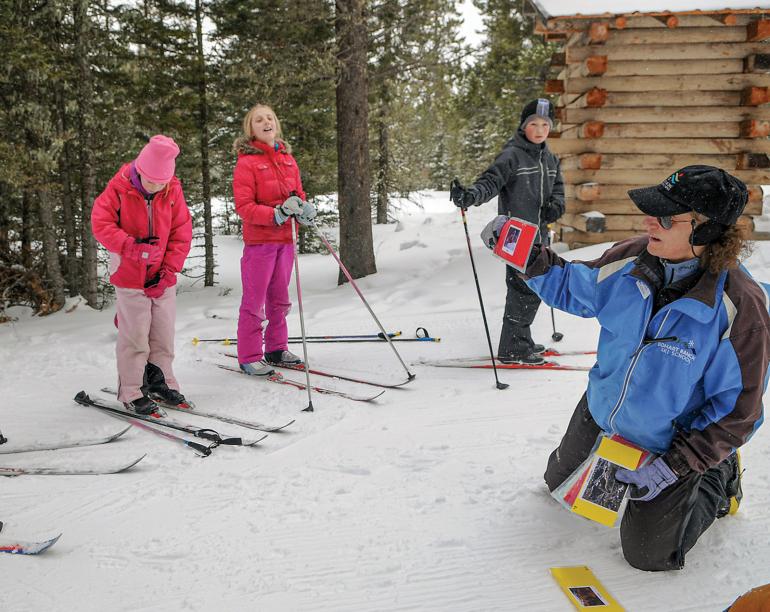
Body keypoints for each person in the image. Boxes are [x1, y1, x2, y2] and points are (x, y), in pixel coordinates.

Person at [484, 165, 769, 571]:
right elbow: (574, 286)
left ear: (705, 231)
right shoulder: (634, 258)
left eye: (666, 217)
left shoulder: (741, 309)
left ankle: (719, 479)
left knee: (648, 555)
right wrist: (527, 255)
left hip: (673, 442)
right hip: (604, 410)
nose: (648, 221)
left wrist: (678, 465)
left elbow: (741, 414)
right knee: (557, 486)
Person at [451, 98, 564, 365]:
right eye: (533, 124)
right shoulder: (512, 155)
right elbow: (491, 181)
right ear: (524, 126)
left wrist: (556, 206)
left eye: (545, 125)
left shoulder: (550, 158)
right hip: (515, 234)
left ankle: (519, 340)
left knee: (532, 288)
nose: (539, 130)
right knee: (522, 290)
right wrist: (471, 195)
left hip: (539, 235)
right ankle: (514, 348)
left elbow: (558, 189)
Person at [92, 135, 193, 415]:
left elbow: (181, 232)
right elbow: (100, 223)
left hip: (162, 277)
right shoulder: (119, 188)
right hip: (129, 276)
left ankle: (161, 381)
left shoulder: (171, 190)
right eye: (152, 182)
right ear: (140, 170)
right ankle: (132, 390)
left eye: (163, 182)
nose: (157, 187)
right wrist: (131, 247)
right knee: (135, 336)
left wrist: (169, 269)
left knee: (163, 334)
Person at [232, 103, 316, 377]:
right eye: (259, 120)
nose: (266, 122)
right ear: (251, 129)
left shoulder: (288, 160)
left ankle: (277, 348)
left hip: (286, 241)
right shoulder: (247, 162)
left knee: (280, 299)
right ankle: (249, 356)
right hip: (260, 242)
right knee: (255, 301)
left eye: (269, 118)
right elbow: (244, 206)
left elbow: (298, 194)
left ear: (276, 124)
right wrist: (277, 214)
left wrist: (303, 210)